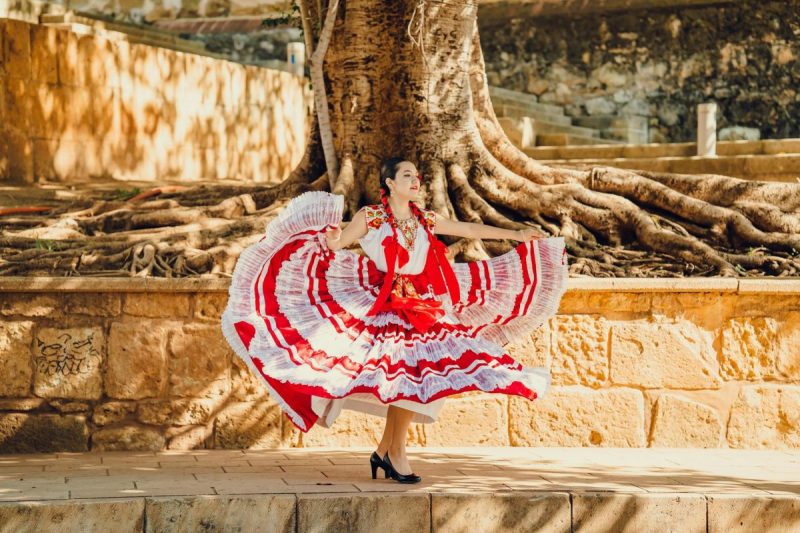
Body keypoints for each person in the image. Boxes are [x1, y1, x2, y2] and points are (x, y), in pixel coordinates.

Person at [221, 157, 568, 484]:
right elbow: (341, 241)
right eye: (407, 176)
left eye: (417, 176)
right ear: (389, 182)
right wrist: (331, 239)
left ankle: (386, 451)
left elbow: (467, 227)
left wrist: (517, 236)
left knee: (419, 374)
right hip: (384, 304)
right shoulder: (372, 217)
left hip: (421, 302)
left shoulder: (424, 219)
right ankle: (394, 452)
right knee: (407, 375)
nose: (415, 180)